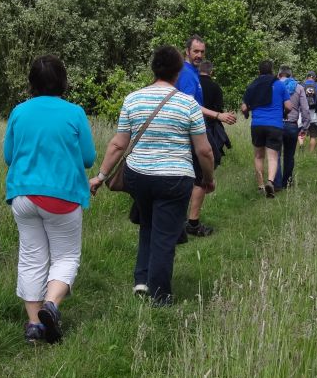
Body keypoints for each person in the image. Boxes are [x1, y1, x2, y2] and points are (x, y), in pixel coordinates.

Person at [89, 46, 215, 305]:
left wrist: (100, 177)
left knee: (148, 224)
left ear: (153, 68)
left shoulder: (133, 99)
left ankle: (142, 280)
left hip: (139, 177)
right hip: (174, 178)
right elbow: (204, 150)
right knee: (165, 235)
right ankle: (160, 296)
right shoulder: (188, 104)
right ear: (178, 72)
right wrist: (208, 178)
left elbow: (117, 144)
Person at [3, 55, 96, 344]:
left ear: (31, 82)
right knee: (66, 256)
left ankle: (33, 326)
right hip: (63, 197)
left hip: (23, 195)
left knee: (31, 258)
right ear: (63, 81)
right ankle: (51, 305)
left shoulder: (19, 112)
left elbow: (9, 156)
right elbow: (89, 158)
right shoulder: (75, 113)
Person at [175, 35, 236, 237]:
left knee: (191, 177)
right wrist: (218, 115)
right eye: (196, 51)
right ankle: (191, 224)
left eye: (202, 52)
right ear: (187, 51)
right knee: (200, 177)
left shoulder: (192, 73)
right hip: (189, 135)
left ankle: (181, 224)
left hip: (192, 133)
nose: (199, 55)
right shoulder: (186, 74)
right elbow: (189, 105)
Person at [241, 60, 293, 198]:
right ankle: (270, 182)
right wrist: (284, 113)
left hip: (257, 124)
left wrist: (247, 114)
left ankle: (260, 185)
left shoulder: (253, 85)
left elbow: (244, 107)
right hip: (275, 125)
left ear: (259, 72)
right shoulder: (279, 85)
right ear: (272, 71)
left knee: (259, 156)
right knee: (273, 157)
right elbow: (289, 106)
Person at [273, 66, 310, 190]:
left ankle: (276, 183)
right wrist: (304, 127)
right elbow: (305, 109)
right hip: (292, 125)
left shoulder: (273, 86)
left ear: (279, 74)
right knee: (289, 156)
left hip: (276, 124)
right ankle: (287, 183)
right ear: (291, 75)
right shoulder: (299, 87)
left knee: (275, 155)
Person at [199, 61, 232, 167]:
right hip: (211, 124)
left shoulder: (195, 84)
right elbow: (219, 108)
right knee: (211, 153)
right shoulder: (215, 87)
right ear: (211, 72)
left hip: (194, 121)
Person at [301, 71, 317, 153]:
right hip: (314, 114)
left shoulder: (301, 86)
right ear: (314, 78)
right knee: (313, 135)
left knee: (301, 132)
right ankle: (311, 154)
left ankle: (301, 147)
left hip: (302, 113)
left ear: (307, 77)